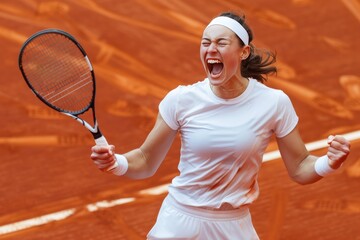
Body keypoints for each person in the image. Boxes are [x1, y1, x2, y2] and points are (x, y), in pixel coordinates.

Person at [90, 11, 351, 240]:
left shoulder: (273, 103)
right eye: (205, 43)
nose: (210, 49)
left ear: (244, 51)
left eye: (220, 42)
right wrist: (116, 163)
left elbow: (300, 167)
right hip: (180, 221)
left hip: (233, 226)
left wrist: (329, 162)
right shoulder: (181, 100)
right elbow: (146, 160)